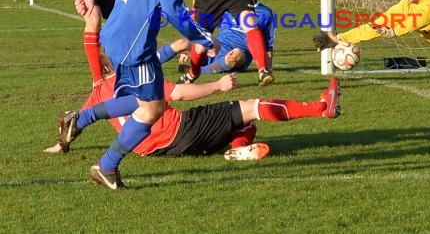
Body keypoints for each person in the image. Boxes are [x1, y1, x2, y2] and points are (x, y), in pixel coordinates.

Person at [67, 0, 216, 190]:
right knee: (153, 108)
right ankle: (107, 166)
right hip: (136, 47)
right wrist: (203, 37)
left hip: (112, 35)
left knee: (140, 97)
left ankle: (78, 120)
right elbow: (174, 12)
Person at [44, 74, 340, 160]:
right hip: (181, 129)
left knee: (244, 122)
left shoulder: (98, 92)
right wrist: (218, 85)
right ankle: (320, 107)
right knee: (251, 106)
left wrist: (62, 145)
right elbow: (180, 94)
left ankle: (236, 149)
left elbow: (78, 121)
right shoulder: (140, 77)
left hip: (158, 149)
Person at [160, 0, 275, 74]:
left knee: (237, 54)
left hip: (238, 56)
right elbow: (203, 27)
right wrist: (190, 48)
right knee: (182, 43)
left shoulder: (266, 13)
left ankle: (200, 71)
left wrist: (267, 68)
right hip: (217, 48)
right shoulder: (229, 4)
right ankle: (148, 62)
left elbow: (268, 44)